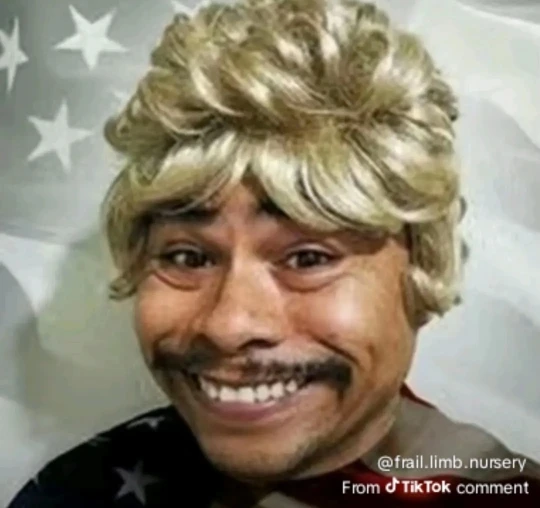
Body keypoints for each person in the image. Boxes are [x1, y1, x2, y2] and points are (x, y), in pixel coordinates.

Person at [8, 0, 540, 506]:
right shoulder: (73, 495)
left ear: (422, 268)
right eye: (188, 257)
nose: (229, 325)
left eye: (308, 258)